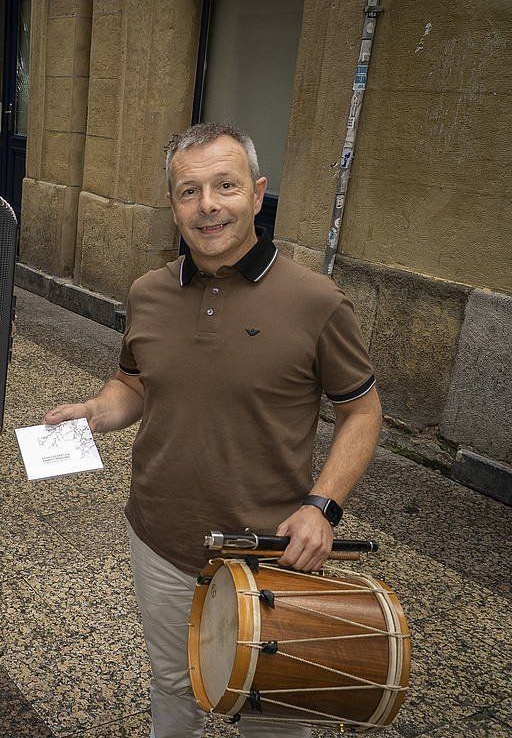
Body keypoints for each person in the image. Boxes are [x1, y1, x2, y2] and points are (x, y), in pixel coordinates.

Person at [44, 122, 383, 738]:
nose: (207, 205)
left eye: (224, 186)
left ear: (257, 193)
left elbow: (361, 410)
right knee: (173, 684)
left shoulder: (316, 301)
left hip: (272, 548)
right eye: (188, 191)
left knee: (272, 708)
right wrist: (97, 409)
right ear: (172, 206)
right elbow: (138, 384)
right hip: (161, 537)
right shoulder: (149, 293)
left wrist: (322, 509)